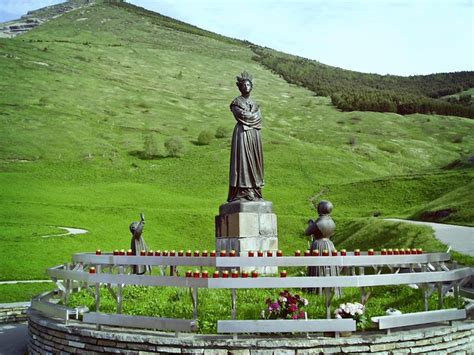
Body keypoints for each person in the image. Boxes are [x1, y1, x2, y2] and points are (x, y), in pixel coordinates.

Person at [227, 71, 264, 202]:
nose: (246, 87)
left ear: (251, 86)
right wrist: (253, 116)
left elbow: (259, 119)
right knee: (242, 161)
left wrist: (252, 117)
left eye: (248, 84)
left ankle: (254, 188)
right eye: (244, 85)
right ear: (240, 87)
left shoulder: (255, 104)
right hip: (242, 134)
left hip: (254, 135)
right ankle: (243, 190)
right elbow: (241, 115)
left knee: (254, 161)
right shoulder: (236, 103)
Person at [305, 201, 341, 296]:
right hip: (329, 245)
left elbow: (307, 232)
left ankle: (316, 290)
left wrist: (311, 224)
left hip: (318, 245)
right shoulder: (332, 221)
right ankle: (332, 289)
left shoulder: (318, 222)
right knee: (330, 266)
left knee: (318, 267)